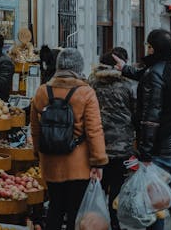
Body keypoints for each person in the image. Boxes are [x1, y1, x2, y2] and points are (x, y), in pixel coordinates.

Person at [113, 29, 171, 230]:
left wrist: (145, 152)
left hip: (160, 151)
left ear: (154, 48)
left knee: (156, 204)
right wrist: (126, 69)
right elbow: (149, 74)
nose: (147, 49)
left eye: (149, 46)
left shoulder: (154, 73)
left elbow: (150, 119)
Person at [30, 48, 109, 230]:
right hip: (78, 164)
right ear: (78, 67)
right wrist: (98, 162)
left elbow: (35, 128)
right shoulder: (86, 92)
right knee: (76, 211)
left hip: (50, 161)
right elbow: (94, 130)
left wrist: (37, 152)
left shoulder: (42, 91)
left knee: (55, 207)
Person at [88, 47, 135, 230]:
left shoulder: (92, 83)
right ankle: (114, 223)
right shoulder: (127, 84)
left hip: (96, 143)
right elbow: (135, 111)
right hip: (121, 145)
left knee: (98, 185)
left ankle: (97, 222)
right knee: (116, 186)